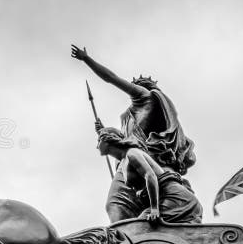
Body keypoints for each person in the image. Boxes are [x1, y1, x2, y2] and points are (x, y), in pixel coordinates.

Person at [71, 45, 197, 222]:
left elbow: (110, 78)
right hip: (128, 161)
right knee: (115, 206)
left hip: (141, 158)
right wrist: (104, 132)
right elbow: (126, 140)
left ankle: (134, 235)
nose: (132, 88)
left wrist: (87, 59)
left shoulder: (145, 97)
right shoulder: (129, 116)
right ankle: (128, 241)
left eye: (135, 86)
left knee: (116, 204)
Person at [97, 127, 202, 224]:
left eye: (99, 141)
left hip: (176, 199)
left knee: (138, 227)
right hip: (166, 199)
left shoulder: (132, 154)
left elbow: (150, 176)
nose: (97, 146)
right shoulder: (124, 161)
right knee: (135, 228)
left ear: (107, 141)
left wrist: (154, 209)